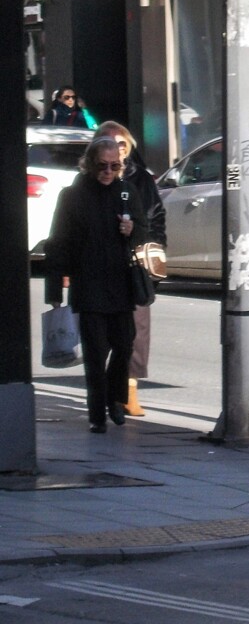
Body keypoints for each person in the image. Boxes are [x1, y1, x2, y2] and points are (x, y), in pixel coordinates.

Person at [44, 137, 148, 433]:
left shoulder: (126, 192)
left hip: (120, 283)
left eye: (115, 166)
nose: (108, 172)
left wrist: (132, 229)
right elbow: (58, 242)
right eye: (103, 166)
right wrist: (54, 291)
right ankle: (97, 414)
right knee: (95, 352)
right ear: (90, 164)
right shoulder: (72, 196)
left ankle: (115, 398)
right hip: (88, 284)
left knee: (124, 345)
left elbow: (143, 230)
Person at [95, 121, 167, 417]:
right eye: (110, 143)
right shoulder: (88, 182)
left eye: (122, 144)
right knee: (101, 334)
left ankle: (129, 390)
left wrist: (153, 248)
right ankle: (102, 395)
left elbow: (156, 217)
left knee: (137, 331)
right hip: (100, 268)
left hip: (134, 264)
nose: (117, 150)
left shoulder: (141, 179)